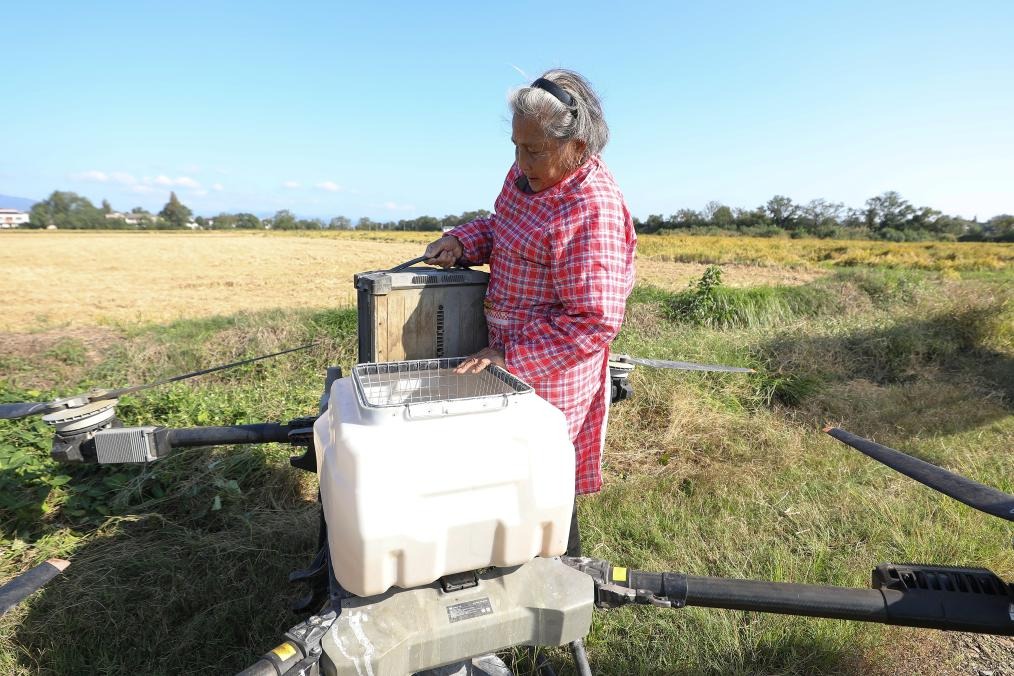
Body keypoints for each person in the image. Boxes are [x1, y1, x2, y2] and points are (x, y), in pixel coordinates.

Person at [424, 69, 636, 555]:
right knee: (503, 480)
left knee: (543, 482)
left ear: (578, 146)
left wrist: (509, 359)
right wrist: (462, 241)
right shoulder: (528, 175)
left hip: (548, 375)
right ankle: (498, 564)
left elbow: (594, 321)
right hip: (502, 356)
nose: (521, 161)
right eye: (516, 146)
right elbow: (503, 228)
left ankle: (564, 582)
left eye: (534, 149)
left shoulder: (590, 208)